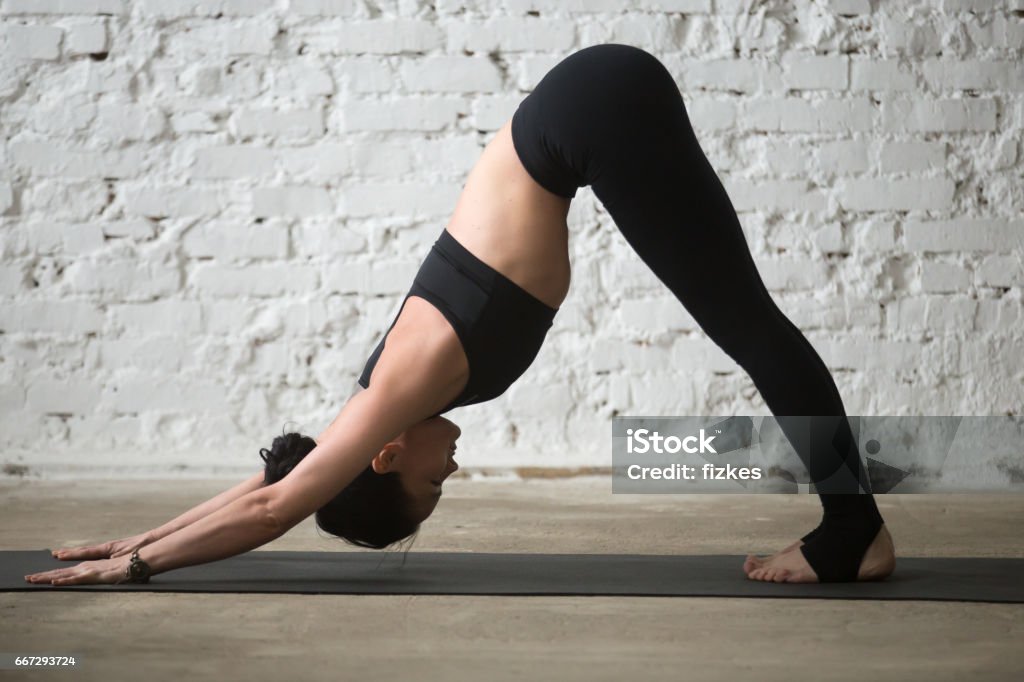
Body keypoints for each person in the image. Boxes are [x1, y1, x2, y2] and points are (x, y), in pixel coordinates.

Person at [27, 43, 895, 587]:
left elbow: (274, 511)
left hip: (596, 116)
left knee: (751, 329)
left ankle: (854, 532)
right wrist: (129, 537)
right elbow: (280, 475)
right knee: (748, 326)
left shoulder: (407, 384)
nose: (455, 469)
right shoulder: (379, 407)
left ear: (391, 456)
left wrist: (133, 568)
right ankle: (853, 523)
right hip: (588, 106)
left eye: (431, 483)